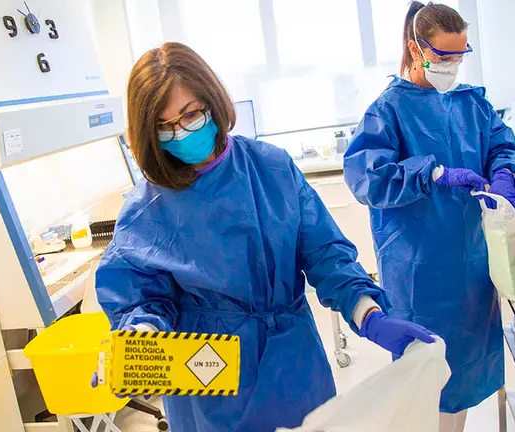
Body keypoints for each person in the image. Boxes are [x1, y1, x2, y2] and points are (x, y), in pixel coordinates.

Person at [94, 42, 436, 432]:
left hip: (293, 362)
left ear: (213, 102)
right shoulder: (147, 209)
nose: (181, 133)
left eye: (190, 115)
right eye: (165, 126)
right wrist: (140, 341)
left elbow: (326, 255)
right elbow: (142, 297)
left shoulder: (271, 168)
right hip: (207, 376)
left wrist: (368, 313)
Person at [343, 2, 515, 431]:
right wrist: (433, 172)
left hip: (471, 265)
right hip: (419, 270)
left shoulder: (471, 104)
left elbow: (505, 147)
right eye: (444, 56)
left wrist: (504, 172)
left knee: (462, 373)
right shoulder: (388, 110)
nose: (452, 65)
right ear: (417, 48)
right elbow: (366, 179)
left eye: (460, 55)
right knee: (425, 375)